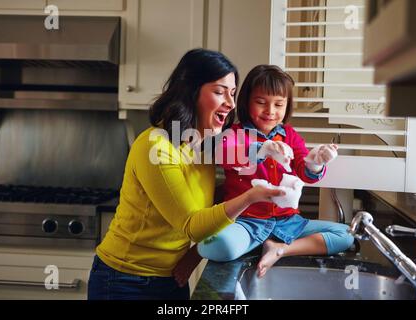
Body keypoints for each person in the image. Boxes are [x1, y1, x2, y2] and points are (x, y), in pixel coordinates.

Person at [87, 50, 286, 300]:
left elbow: (211, 207)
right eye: (219, 91)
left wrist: (194, 255)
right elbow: (192, 225)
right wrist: (250, 197)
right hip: (124, 280)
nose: (231, 103)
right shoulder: (156, 146)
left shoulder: (202, 144)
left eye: (232, 93)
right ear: (191, 91)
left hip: (172, 278)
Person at [173, 64, 354, 285]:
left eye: (278, 104)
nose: (270, 111)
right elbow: (225, 154)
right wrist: (262, 150)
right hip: (247, 223)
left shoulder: (289, 135)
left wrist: (316, 162)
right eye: (261, 102)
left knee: (347, 235)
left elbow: (304, 171)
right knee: (215, 247)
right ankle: (251, 243)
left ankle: (280, 249)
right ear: (247, 101)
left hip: (288, 222)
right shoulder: (234, 134)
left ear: (287, 106)